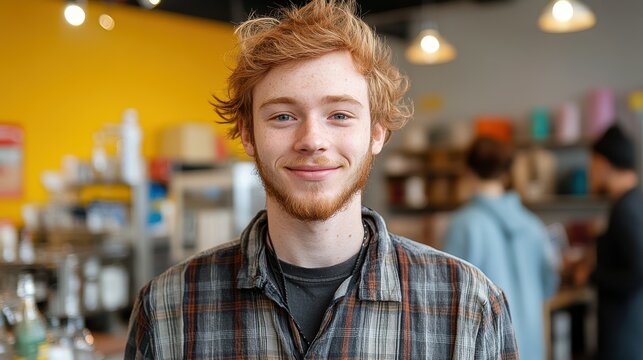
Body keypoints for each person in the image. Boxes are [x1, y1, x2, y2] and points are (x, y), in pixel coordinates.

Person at [125, 1, 518, 358]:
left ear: (377, 132)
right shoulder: (167, 311)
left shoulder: (469, 308)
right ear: (247, 134)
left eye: (340, 115)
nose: (312, 140)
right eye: (283, 116)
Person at [443, 137, 559, 360]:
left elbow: (446, 295)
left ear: (468, 172)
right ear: (506, 174)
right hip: (531, 347)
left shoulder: (463, 225)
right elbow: (549, 285)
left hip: (487, 348)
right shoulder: (533, 224)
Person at [585, 124, 643, 360]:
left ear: (604, 163)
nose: (591, 173)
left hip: (623, 335)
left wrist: (590, 275)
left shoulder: (625, 210)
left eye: (593, 166)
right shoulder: (635, 202)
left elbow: (636, 272)